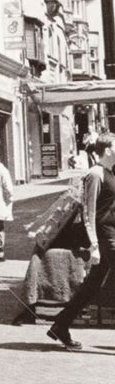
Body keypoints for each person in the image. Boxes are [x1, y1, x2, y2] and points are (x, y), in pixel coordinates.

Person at [48, 133, 115, 350]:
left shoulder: (109, 172)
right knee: (95, 284)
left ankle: (60, 324)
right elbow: (89, 211)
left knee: (92, 286)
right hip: (106, 237)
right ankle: (61, 324)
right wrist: (94, 245)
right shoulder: (95, 174)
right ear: (108, 149)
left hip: (110, 234)